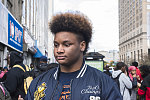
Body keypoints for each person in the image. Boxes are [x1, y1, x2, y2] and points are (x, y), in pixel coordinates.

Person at [25, 11, 122, 100]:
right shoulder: (39, 82)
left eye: (66, 45)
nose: (59, 50)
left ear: (82, 46)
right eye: (56, 45)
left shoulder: (104, 83)